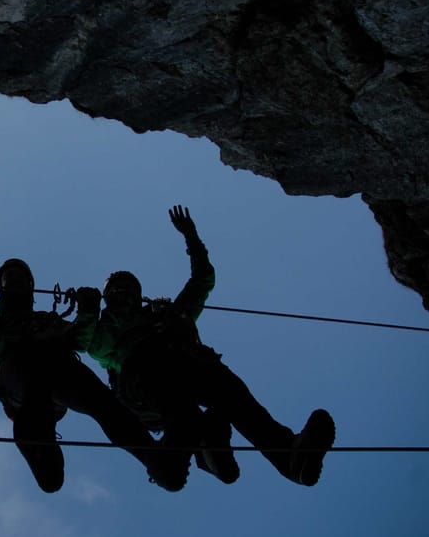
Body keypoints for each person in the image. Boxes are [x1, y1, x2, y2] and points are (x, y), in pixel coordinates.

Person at [89, 205, 336, 487]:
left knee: (225, 388)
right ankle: (193, 451)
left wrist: (191, 238)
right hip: (142, 387)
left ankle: (286, 456)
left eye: (129, 287)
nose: (124, 293)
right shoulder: (105, 329)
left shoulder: (165, 317)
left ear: (139, 292)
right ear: (108, 297)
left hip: (180, 368)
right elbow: (95, 348)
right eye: (117, 289)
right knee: (170, 386)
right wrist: (94, 312)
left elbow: (202, 280)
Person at [0, 226, 174, 493]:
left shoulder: (49, 320)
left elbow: (80, 341)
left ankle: (154, 458)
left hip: (58, 374)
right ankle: (41, 448)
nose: (14, 281)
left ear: (30, 286)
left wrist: (88, 311)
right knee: (37, 374)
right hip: (21, 377)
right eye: (7, 278)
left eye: (19, 277)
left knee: (102, 401)